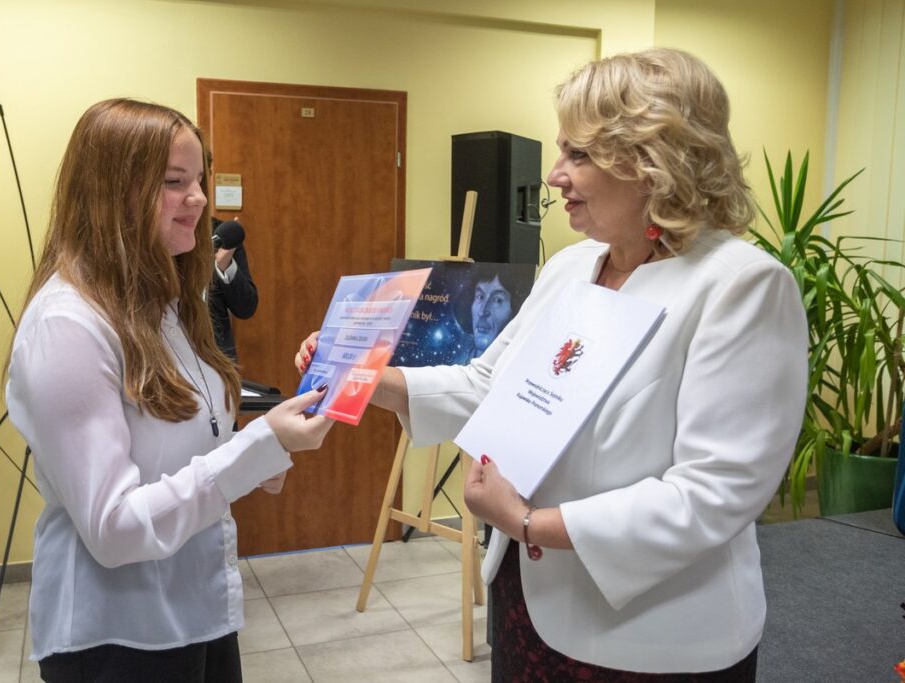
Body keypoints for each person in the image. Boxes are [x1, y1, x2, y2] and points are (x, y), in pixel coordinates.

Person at [298, 48, 807, 681]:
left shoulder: (740, 286)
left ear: (655, 162)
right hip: (528, 606)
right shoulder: (571, 267)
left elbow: (715, 491)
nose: (554, 176)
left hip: (653, 637)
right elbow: (491, 384)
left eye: (579, 155)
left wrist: (529, 522)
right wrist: (369, 376)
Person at [6, 98, 332, 683]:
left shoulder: (164, 302)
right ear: (112, 193)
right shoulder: (68, 326)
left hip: (200, 610)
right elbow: (113, 528)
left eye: (200, 179)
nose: (201, 200)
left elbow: (185, 444)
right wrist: (251, 451)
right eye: (175, 182)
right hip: (118, 636)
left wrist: (263, 454)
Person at [207, 214, 257, 361]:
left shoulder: (224, 236)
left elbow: (246, 308)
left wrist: (224, 265)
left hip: (217, 359)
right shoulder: (153, 235)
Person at [452, 271, 520, 364]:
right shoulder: (457, 363)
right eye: (480, 297)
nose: (482, 311)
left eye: (497, 300)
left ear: (515, 310)